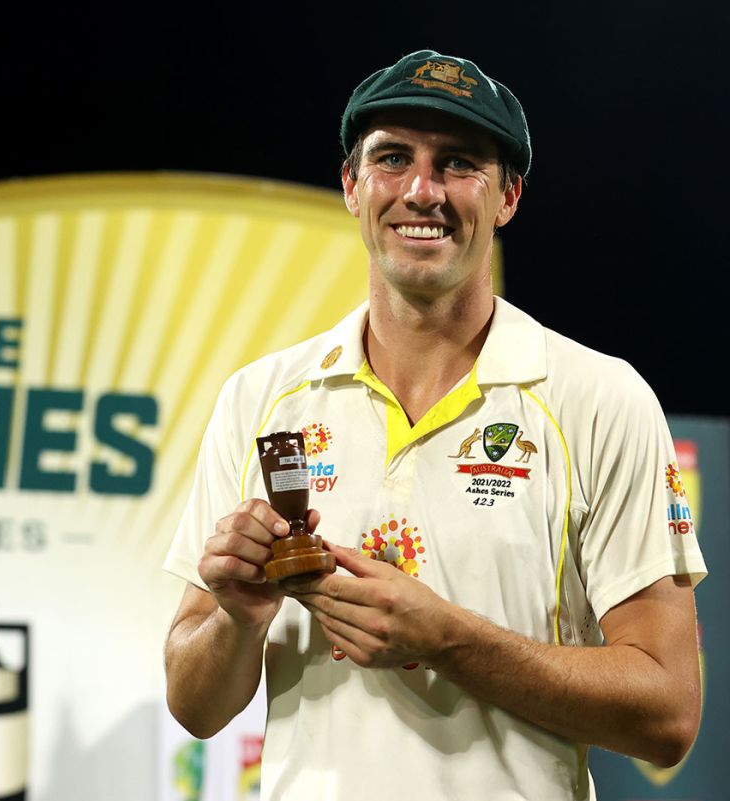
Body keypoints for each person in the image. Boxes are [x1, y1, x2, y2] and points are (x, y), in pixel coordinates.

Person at [162, 49, 707, 800]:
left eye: (457, 163)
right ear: (352, 186)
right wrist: (237, 617)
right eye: (392, 158)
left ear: (508, 195)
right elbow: (194, 705)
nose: (422, 191)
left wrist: (449, 639)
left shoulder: (600, 398)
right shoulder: (261, 398)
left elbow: (668, 709)